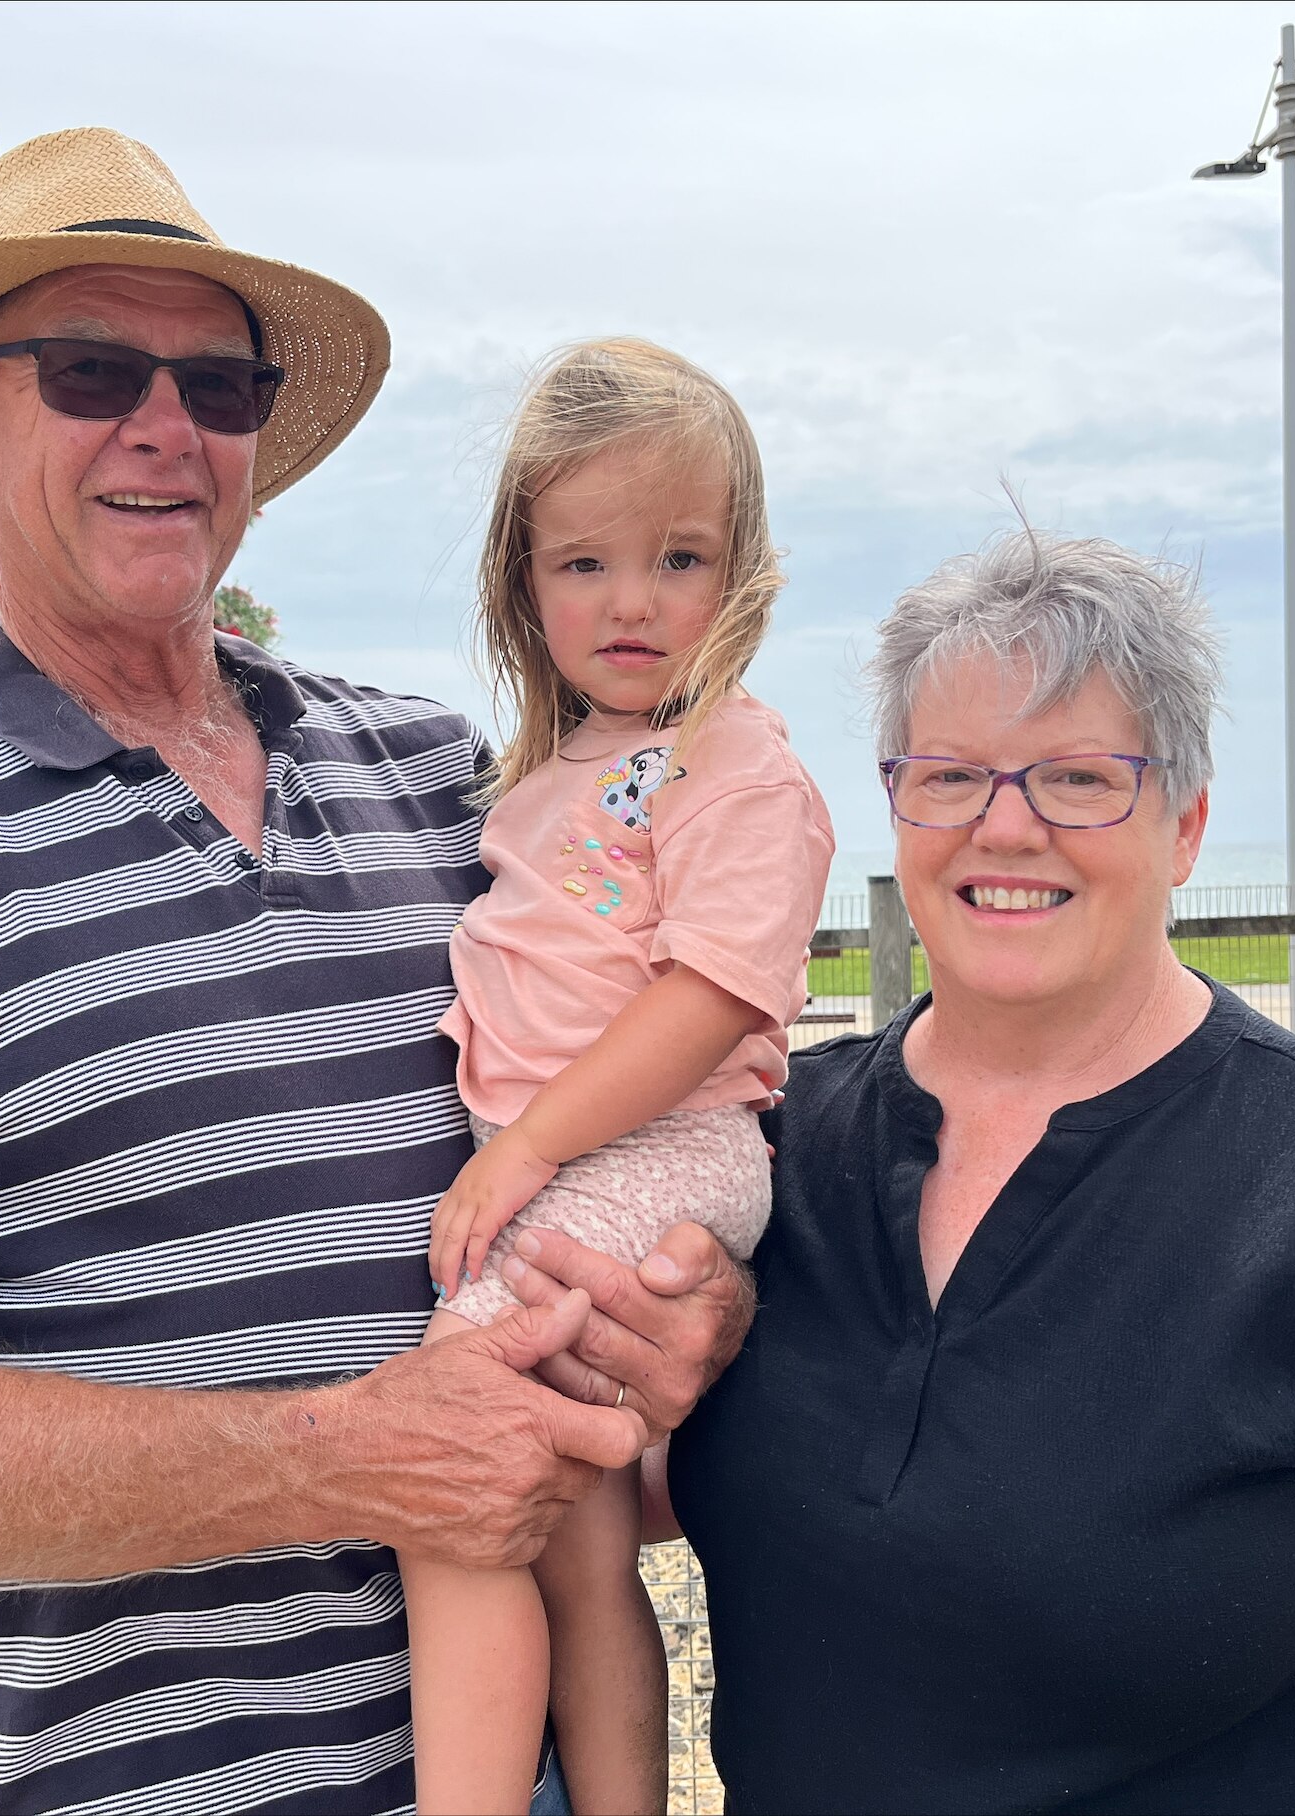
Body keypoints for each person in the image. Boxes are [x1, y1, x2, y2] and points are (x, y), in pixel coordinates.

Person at [0, 129, 754, 1816]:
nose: (165, 426)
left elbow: (633, 1166)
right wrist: (343, 1460)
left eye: (219, 385)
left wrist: (692, 1335)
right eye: (93, 370)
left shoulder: (445, 778)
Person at [664, 530, 1295, 1814]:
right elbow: (633, 1487)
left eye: (1077, 778)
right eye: (949, 775)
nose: (1004, 826)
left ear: (1187, 825)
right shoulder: (766, 1149)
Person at [409, 340, 834, 1812]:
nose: (633, 601)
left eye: (679, 558)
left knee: (445, 1484)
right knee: (577, 1545)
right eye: (584, 563)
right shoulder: (564, 762)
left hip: (647, 1149)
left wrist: (524, 1147)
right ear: (524, 584)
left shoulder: (736, 763)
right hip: (591, 1155)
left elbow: (710, 996)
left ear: (744, 569)